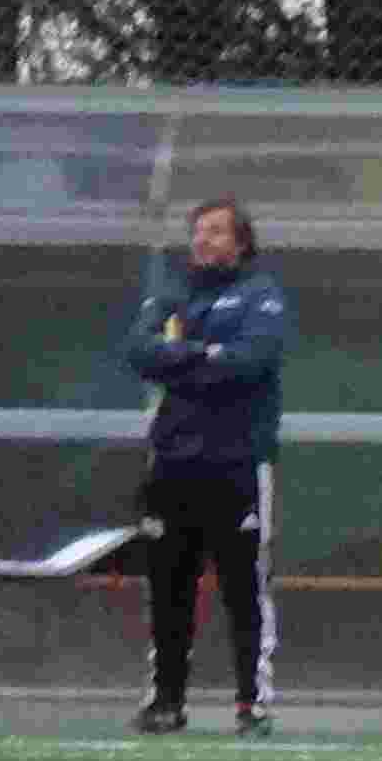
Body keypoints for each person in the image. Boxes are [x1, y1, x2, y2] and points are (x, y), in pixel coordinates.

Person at [124, 194, 288, 733]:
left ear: (240, 242)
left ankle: (252, 703)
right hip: (172, 462)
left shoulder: (261, 295)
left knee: (244, 587)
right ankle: (166, 701)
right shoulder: (171, 293)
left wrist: (181, 358)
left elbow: (250, 361)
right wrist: (204, 353)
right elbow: (140, 351)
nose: (202, 239)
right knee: (168, 585)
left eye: (215, 231)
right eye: (198, 230)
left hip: (237, 462)